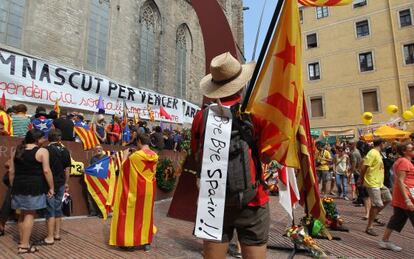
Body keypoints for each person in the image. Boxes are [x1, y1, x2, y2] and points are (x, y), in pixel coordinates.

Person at [192, 52, 272, 259]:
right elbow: (267, 157)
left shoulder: (201, 117)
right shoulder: (255, 115)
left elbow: (196, 156)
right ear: (241, 83)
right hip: (252, 201)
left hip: (213, 202)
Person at [109, 133, 158, 251]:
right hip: (148, 191)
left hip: (135, 191)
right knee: (145, 216)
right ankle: (146, 242)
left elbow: (123, 170)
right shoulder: (155, 156)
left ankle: (129, 242)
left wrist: (125, 155)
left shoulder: (135, 156)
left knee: (130, 216)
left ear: (139, 141)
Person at [9, 129, 54, 254]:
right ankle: (24, 245)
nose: (44, 140)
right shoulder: (42, 151)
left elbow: (12, 171)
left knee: (21, 214)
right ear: (37, 139)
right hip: (34, 187)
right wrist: (51, 187)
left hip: (18, 185)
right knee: (29, 214)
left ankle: (23, 241)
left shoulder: (16, 150)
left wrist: (13, 187)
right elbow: (46, 171)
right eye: (42, 138)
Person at [37, 129, 71, 245]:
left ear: (49, 138)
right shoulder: (66, 151)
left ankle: (50, 237)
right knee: (58, 208)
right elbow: (67, 169)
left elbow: (44, 169)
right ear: (60, 138)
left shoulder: (45, 150)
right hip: (61, 182)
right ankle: (57, 234)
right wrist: (66, 182)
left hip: (48, 183)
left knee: (50, 209)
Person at [378, 142, 414, 252]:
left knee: (397, 218)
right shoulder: (404, 162)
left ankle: (384, 241)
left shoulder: (403, 161)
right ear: (404, 151)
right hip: (406, 196)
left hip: (402, 195)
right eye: (411, 148)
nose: (413, 150)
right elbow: (400, 181)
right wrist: (407, 200)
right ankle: (384, 241)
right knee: (397, 218)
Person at [359, 138, 392, 236]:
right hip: (372, 182)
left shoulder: (378, 153)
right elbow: (364, 167)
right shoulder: (372, 153)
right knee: (377, 205)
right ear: (381, 143)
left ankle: (374, 216)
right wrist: (361, 180)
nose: (385, 145)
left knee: (388, 198)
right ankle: (369, 227)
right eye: (385, 143)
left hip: (379, 183)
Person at [85, 145, 107, 217]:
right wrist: (85, 170)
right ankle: (93, 212)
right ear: (95, 150)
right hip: (94, 180)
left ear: (102, 149)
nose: (98, 150)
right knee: (91, 194)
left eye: (100, 148)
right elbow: (90, 167)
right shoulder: (93, 158)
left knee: (102, 196)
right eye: (97, 149)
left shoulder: (106, 158)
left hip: (103, 180)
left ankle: (102, 212)